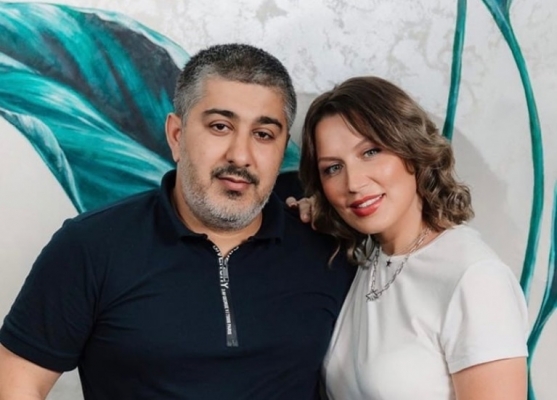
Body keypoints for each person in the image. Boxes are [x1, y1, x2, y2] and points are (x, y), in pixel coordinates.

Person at [0, 43, 355, 400]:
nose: (240, 156)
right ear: (177, 135)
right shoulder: (90, 247)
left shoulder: (328, 249)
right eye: (220, 126)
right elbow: (17, 382)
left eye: (263, 134)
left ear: (282, 149)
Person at [292, 76, 528, 400]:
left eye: (371, 152)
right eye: (333, 168)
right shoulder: (367, 260)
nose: (354, 183)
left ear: (411, 150)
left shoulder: (474, 277)